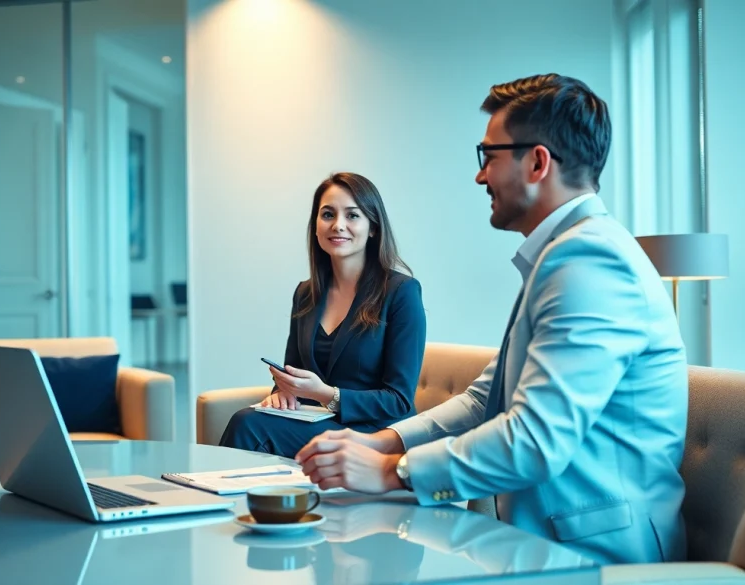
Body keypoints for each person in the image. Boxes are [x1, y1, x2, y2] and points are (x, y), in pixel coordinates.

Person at [295, 74, 689, 565]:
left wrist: (393, 471)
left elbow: (535, 442)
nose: (480, 177)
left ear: (538, 162)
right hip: (536, 541)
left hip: (594, 555)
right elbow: (486, 399)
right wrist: (380, 442)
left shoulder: (590, 263)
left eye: (489, 156)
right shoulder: (564, 256)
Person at [218, 172, 426, 459]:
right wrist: (283, 392)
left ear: (373, 228)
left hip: (377, 432)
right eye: (328, 214)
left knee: (249, 425)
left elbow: (399, 400)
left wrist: (326, 394)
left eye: (352, 215)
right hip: (319, 421)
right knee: (249, 420)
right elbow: (292, 370)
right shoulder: (306, 293)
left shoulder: (401, 291)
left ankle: (216, 487)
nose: (338, 225)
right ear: (316, 226)